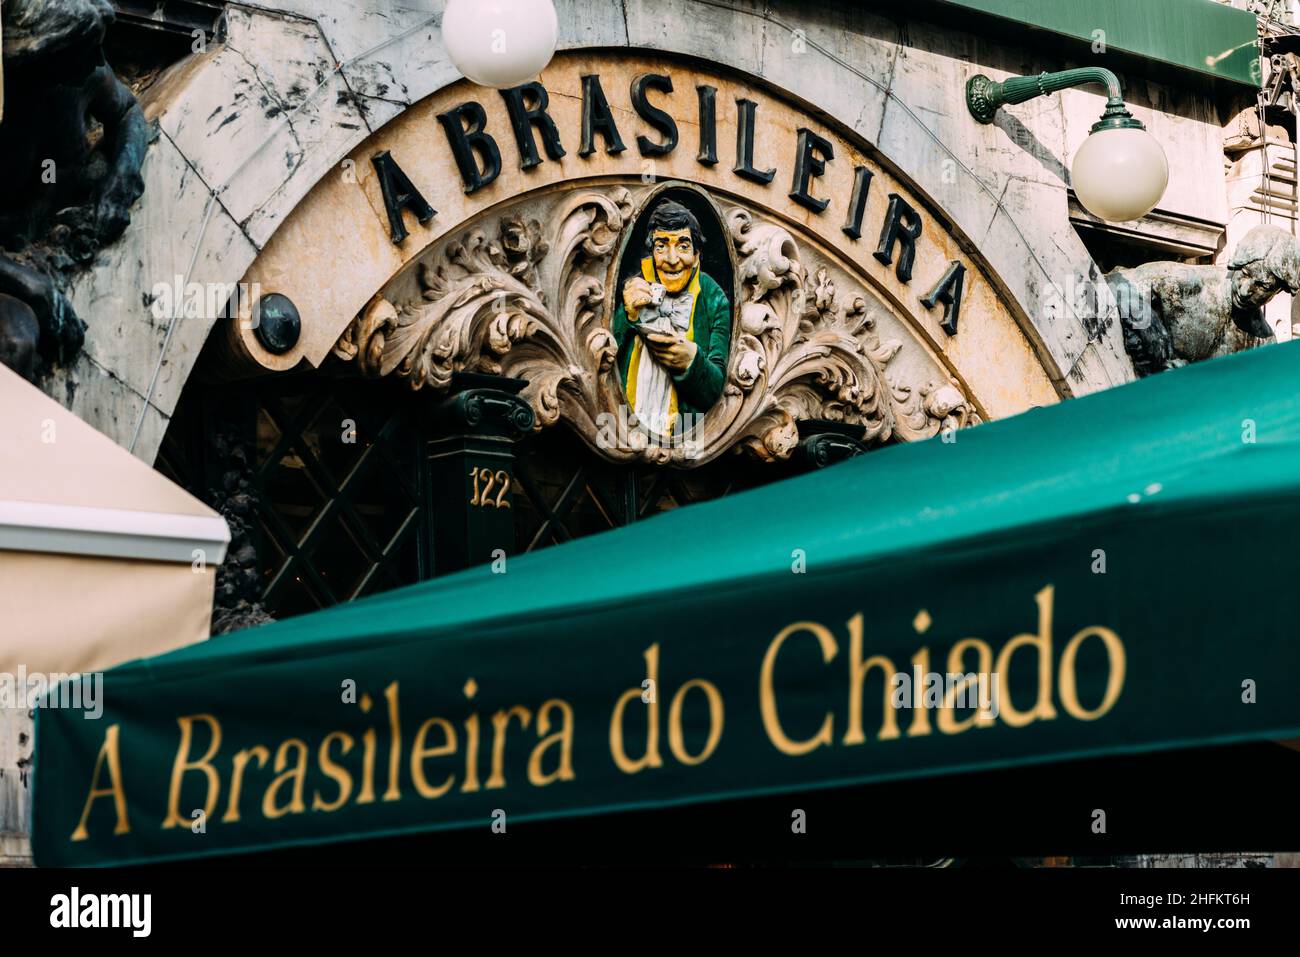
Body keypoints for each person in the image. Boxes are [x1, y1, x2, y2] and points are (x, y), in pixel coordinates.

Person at [610, 200, 732, 435]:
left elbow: (716, 388)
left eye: (683, 247)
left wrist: (691, 362)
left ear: (696, 255)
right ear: (652, 252)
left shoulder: (713, 298)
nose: (672, 259)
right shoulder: (637, 287)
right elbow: (605, 355)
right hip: (621, 427)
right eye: (662, 246)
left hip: (683, 437)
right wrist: (627, 315)